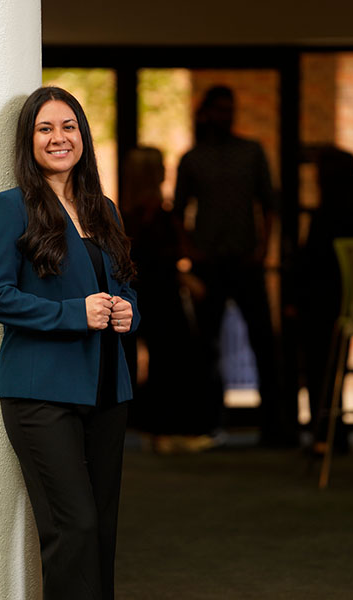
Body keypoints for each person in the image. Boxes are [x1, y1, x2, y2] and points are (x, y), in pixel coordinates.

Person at [0, 86, 139, 599]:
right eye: (45, 128)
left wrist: (128, 311)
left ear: (83, 137)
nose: (59, 138)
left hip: (107, 389)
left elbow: (125, 283)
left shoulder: (103, 209)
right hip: (41, 393)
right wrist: (74, 313)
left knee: (103, 532)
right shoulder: (11, 207)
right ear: (29, 141)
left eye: (68, 127)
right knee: (75, 529)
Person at [173, 85, 292, 446]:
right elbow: (178, 212)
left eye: (230, 109)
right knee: (205, 347)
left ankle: (275, 427)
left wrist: (263, 249)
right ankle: (206, 423)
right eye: (220, 110)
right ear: (207, 113)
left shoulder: (251, 152)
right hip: (209, 262)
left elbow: (269, 204)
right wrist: (190, 251)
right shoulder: (193, 158)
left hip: (246, 260)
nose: (226, 116)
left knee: (263, 343)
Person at [119, 146, 215, 452]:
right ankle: (168, 429)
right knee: (171, 362)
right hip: (160, 296)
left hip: (144, 295)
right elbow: (157, 259)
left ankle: (157, 429)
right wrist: (182, 275)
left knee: (160, 362)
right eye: (161, 166)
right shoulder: (152, 215)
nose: (166, 171)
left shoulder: (128, 214)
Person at [290, 146, 353, 455]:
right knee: (336, 368)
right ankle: (335, 431)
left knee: (318, 367)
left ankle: (324, 433)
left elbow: (311, 260)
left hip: (318, 300)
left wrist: (295, 295)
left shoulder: (326, 215)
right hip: (342, 298)